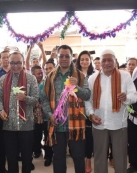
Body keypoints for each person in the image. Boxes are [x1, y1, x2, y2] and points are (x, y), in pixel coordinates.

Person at [85, 49, 137, 173]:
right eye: (104, 60)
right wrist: (91, 114)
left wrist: (126, 98)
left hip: (119, 122)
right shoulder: (93, 78)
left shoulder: (125, 76)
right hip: (98, 122)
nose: (107, 63)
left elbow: (134, 96)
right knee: (99, 156)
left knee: (120, 156)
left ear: (115, 61)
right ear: (99, 62)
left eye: (110, 60)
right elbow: (88, 100)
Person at [40, 45, 91, 173]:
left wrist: (76, 87)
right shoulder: (50, 77)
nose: (64, 59)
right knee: (58, 158)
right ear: (57, 57)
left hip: (76, 124)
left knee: (78, 157)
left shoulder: (80, 76)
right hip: (57, 125)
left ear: (71, 57)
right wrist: (50, 115)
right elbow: (44, 98)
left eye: (67, 56)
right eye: (61, 56)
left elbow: (87, 95)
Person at [0, 52, 39, 173]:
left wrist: (25, 98)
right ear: (8, 63)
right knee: (11, 159)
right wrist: (1, 110)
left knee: (26, 159)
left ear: (23, 62)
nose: (15, 66)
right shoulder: (3, 79)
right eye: (12, 63)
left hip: (27, 126)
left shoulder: (31, 78)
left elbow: (36, 99)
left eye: (18, 63)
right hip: (8, 126)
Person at [76, 50, 95, 173]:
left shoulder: (95, 74)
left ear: (90, 60)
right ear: (78, 61)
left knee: (89, 136)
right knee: (79, 137)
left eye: (86, 59)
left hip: (91, 109)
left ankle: (88, 158)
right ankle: (80, 159)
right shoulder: (74, 75)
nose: (84, 61)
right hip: (76, 109)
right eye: (82, 59)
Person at [38, 59, 56, 167]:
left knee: (58, 138)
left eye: (50, 68)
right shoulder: (42, 85)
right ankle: (48, 156)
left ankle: (58, 155)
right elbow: (42, 101)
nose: (48, 70)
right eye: (46, 69)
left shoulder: (61, 82)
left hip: (60, 116)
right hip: (47, 116)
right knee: (47, 137)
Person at [31, 65, 44, 159]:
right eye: (38, 73)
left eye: (41, 73)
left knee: (47, 134)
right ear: (33, 74)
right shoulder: (30, 85)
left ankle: (48, 155)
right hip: (34, 115)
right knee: (36, 135)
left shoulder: (45, 83)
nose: (40, 75)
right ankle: (36, 150)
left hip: (45, 114)